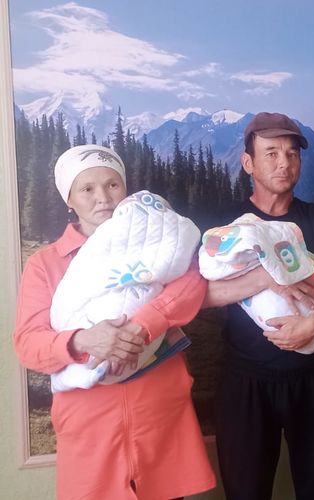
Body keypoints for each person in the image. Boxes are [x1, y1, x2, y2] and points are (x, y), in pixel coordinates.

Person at [13, 145, 215, 500]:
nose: (103, 198)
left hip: (160, 414)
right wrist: (82, 340)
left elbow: (193, 282)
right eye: (87, 189)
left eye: (112, 185)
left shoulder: (159, 240)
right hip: (90, 425)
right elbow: (28, 343)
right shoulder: (45, 264)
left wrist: (142, 325)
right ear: (69, 200)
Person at [201, 112, 314, 500]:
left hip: (313, 380)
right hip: (245, 382)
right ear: (248, 163)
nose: (284, 163)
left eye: (292, 153)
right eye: (271, 153)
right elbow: (200, 296)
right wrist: (265, 277)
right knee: (246, 492)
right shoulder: (226, 225)